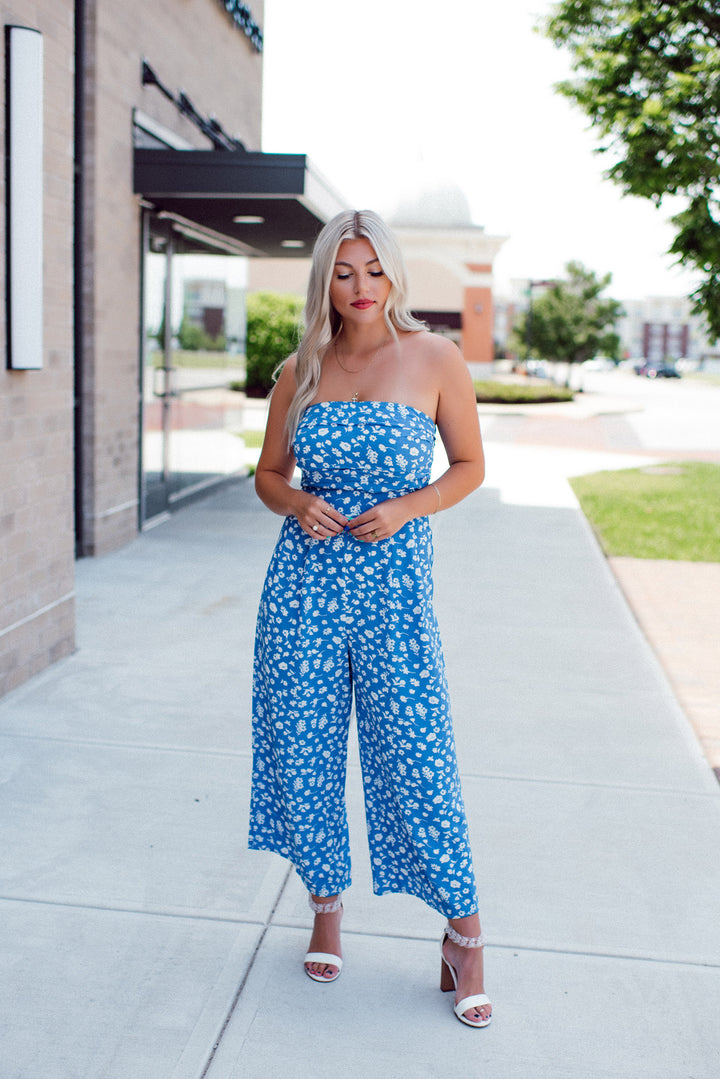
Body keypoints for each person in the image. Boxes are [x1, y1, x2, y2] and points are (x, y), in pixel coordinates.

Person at [248, 209, 491, 1028]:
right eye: (344, 272)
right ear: (325, 279)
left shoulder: (434, 357)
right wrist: (299, 501)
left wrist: (409, 507)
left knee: (418, 761)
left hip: (392, 593)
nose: (360, 288)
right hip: (303, 592)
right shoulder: (302, 368)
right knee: (306, 754)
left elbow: (468, 466)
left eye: (373, 271)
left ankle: (465, 935)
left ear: (394, 276)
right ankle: (325, 911)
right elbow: (267, 476)